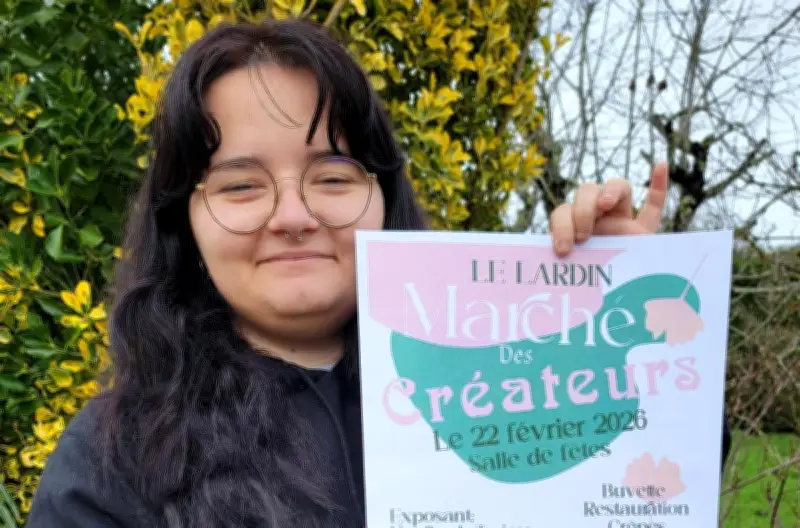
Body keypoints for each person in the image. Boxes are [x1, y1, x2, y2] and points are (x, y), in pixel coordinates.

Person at [26, 18, 731, 528]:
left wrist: (620, 304)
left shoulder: (503, 378)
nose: (293, 214)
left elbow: (654, 486)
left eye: (333, 176)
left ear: (382, 196)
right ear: (185, 220)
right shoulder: (113, 460)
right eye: (241, 186)